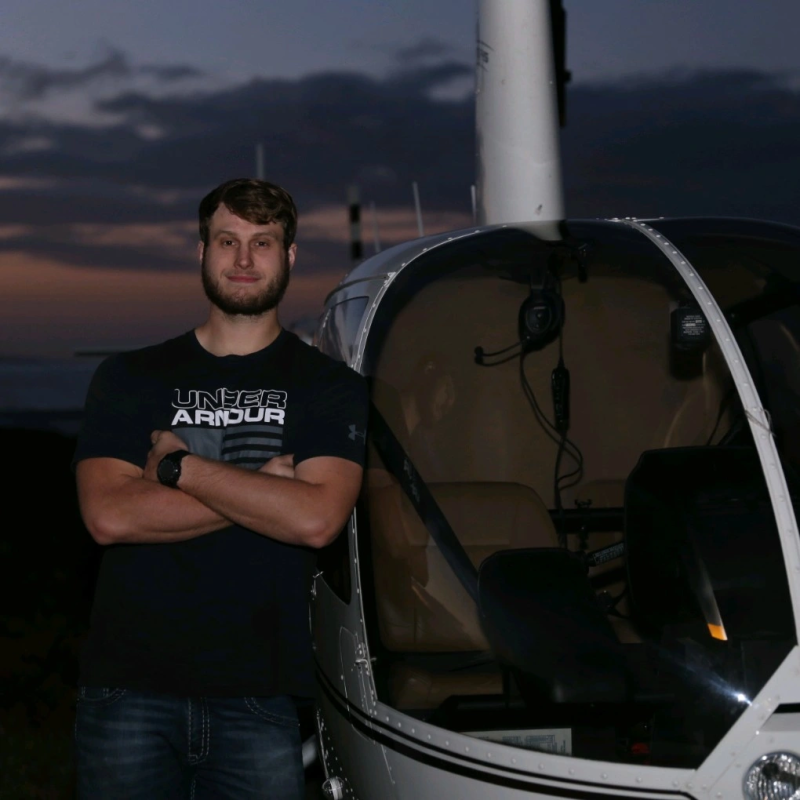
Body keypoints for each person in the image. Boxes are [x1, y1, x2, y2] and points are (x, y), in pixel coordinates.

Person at [73, 178, 368, 799]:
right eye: (227, 240)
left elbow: (316, 519)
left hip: (259, 696)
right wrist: (265, 490)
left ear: (289, 256)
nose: (243, 258)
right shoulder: (130, 376)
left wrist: (178, 469)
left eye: (263, 242)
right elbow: (109, 515)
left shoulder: (329, 386)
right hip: (128, 688)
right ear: (201, 251)